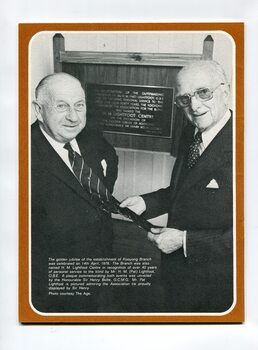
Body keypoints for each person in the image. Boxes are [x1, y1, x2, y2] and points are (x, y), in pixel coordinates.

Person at [121, 60, 233, 312]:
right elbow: (183, 192)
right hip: (178, 275)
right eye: (185, 98)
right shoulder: (190, 133)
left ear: (225, 92)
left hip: (219, 286)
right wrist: (146, 203)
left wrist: (184, 241)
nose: (194, 105)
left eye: (204, 92)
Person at [31, 72, 118, 312]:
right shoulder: (21, 154)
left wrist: (101, 195)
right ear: (39, 110)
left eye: (79, 106)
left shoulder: (89, 134)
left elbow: (110, 159)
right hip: (52, 283)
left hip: (102, 258)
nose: (73, 117)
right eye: (61, 106)